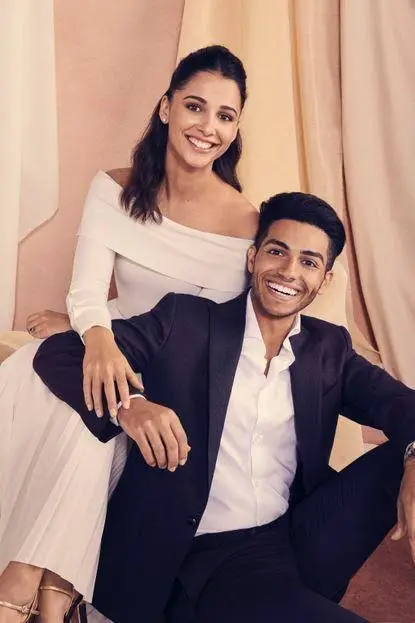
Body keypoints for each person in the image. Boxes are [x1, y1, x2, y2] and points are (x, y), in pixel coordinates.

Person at [34, 192, 415, 623]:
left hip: (296, 536)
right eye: (277, 252)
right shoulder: (187, 323)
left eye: (309, 262)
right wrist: (130, 406)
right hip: (209, 557)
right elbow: (61, 353)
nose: (289, 272)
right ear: (253, 258)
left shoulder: (328, 348)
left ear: (324, 280)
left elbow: (400, 403)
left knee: (404, 449)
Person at [0, 45, 258, 622]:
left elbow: (213, 338)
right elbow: (89, 292)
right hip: (110, 352)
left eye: (225, 115)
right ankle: (51, 599)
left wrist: (106, 351)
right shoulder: (113, 189)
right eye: (195, 106)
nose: (208, 127)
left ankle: (23, 584)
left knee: (90, 419)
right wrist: (93, 335)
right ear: (166, 108)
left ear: (236, 128)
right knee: (77, 405)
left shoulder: (248, 225)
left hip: (171, 380)